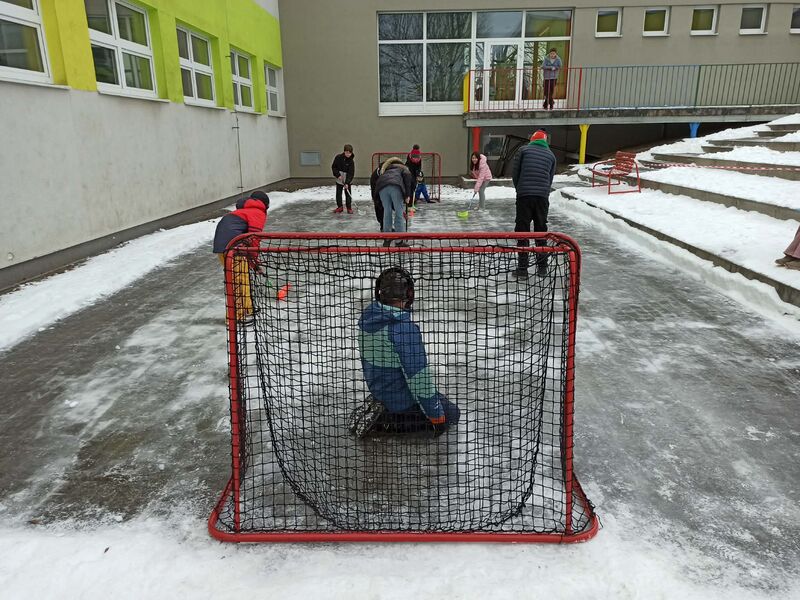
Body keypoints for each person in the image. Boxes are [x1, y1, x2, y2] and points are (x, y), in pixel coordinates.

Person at [351, 267, 460, 438]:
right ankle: (387, 423)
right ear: (409, 294)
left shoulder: (367, 319)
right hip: (402, 405)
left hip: (380, 390)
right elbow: (420, 380)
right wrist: (437, 417)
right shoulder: (403, 330)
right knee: (453, 414)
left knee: (438, 400)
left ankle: (384, 409)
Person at [212, 191, 270, 321]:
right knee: (240, 281)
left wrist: (253, 264)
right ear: (265, 205)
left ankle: (247, 310)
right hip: (233, 247)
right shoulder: (257, 212)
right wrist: (255, 263)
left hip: (222, 247)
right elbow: (254, 240)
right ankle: (237, 317)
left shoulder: (243, 211)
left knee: (238, 278)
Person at [511, 130, 556, 279]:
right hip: (542, 198)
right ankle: (542, 267)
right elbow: (550, 179)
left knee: (523, 231)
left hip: (525, 196)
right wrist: (543, 192)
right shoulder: (551, 155)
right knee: (541, 230)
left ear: (532, 139)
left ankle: (522, 269)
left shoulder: (524, 150)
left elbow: (515, 172)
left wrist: (520, 188)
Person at [374, 157, 415, 247]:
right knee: (398, 213)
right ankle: (399, 240)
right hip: (395, 187)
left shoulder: (387, 169)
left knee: (387, 212)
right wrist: (408, 195)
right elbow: (408, 181)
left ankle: (387, 238)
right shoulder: (404, 168)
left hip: (381, 188)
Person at [331, 144, 355, 214]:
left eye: (349, 153)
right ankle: (340, 207)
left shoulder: (351, 161)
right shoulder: (338, 158)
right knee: (338, 193)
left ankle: (349, 208)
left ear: (351, 153)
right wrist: (338, 175)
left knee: (348, 194)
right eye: (347, 152)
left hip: (347, 179)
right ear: (344, 152)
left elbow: (351, 173)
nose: (348, 154)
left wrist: (347, 182)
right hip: (339, 179)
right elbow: (334, 167)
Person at [369, 163, 385, 231]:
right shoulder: (375, 176)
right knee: (379, 209)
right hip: (377, 194)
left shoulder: (386, 173)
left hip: (385, 193)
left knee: (386, 210)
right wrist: (376, 200)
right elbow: (374, 190)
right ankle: (382, 224)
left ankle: (384, 226)